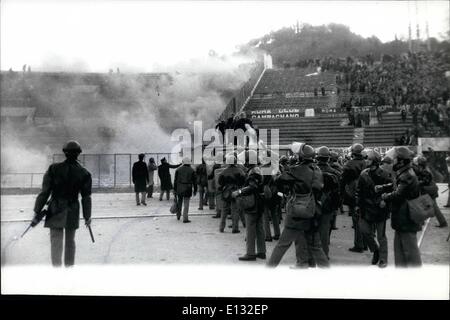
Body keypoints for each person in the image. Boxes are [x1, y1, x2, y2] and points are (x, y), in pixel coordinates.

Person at [267, 144, 329, 268]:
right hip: (312, 211)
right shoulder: (317, 170)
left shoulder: (296, 169)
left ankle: (268, 269)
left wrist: (278, 172)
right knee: (316, 247)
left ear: (300, 156)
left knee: (282, 245)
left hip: (297, 211)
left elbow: (278, 181)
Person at [32, 141, 92, 267]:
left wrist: (37, 211)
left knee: (56, 241)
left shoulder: (53, 169)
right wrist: (87, 216)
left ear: (64, 152)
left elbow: (45, 193)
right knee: (70, 241)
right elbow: (86, 198)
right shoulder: (84, 173)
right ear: (79, 153)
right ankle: (69, 269)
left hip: (55, 208)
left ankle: (56, 269)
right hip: (72, 208)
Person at [379, 146, 422, 267]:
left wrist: (385, 197)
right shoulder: (404, 172)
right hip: (402, 216)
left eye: (395, 159)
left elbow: (398, 194)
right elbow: (397, 187)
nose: (392, 161)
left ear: (401, 161)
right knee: (400, 248)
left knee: (410, 250)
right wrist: (384, 188)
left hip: (406, 216)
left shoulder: (406, 175)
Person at [356, 150, 392, 268]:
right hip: (366, 208)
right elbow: (358, 192)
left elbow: (392, 189)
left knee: (381, 236)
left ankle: (383, 259)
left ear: (375, 161)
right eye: (366, 158)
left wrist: (384, 201)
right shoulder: (363, 174)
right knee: (365, 231)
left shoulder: (385, 174)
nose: (366, 161)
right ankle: (375, 250)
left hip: (380, 209)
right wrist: (357, 205)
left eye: (369, 159)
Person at [232, 150, 266, 261]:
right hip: (259, 202)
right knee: (259, 228)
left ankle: (250, 253)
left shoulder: (253, 171)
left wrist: (239, 192)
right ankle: (261, 252)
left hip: (252, 203)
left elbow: (252, 187)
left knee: (250, 228)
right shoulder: (257, 169)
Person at [316, 146, 341, 259]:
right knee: (325, 230)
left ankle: (312, 254)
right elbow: (338, 192)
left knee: (311, 230)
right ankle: (324, 254)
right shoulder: (335, 172)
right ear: (328, 158)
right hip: (328, 205)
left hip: (313, 204)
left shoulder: (311, 170)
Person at [341, 143, 367, 253]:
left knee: (356, 221)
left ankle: (359, 245)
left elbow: (343, 181)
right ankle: (366, 243)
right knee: (365, 220)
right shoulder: (366, 163)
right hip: (366, 194)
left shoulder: (349, 164)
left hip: (353, 194)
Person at [413, 156, 448, 228]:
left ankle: (443, 222)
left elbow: (425, 181)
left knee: (433, 207)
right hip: (430, 190)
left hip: (429, 191)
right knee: (430, 206)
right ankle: (442, 222)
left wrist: (418, 182)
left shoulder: (424, 171)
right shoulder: (425, 169)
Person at [218, 153, 246, 233]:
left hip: (226, 191)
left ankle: (221, 228)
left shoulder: (224, 171)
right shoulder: (240, 171)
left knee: (224, 210)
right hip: (236, 191)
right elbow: (243, 181)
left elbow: (220, 182)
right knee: (235, 210)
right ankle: (235, 228)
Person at [174, 157, 197, 223]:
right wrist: (195, 190)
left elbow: (175, 181)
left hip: (179, 188)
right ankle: (185, 218)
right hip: (188, 188)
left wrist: (175, 189)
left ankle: (178, 215)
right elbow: (194, 182)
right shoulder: (192, 170)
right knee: (186, 203)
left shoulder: (178, 170)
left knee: (179, 202)